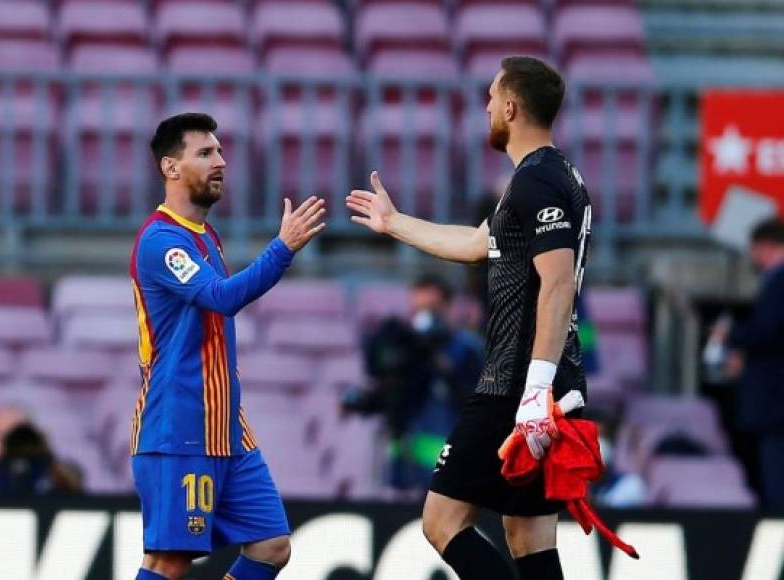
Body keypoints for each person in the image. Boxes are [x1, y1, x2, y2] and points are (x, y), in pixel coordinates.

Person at [347, 56, 592, 580]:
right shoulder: (553, 176)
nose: (484, 107)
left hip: (517, 384)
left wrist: (534, 388)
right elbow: (479, 243)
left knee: (442, 520)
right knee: (527, 535)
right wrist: (394, 223)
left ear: (510, 106)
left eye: (490, 97)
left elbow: (558, 281)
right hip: (545, 380)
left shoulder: (536, 183)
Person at [130, 113, 326, 580]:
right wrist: (282, 248)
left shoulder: (204, 236)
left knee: (271, 546)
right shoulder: (162, 241)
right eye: (205, 153)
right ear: (170, 168)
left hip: (226, 427)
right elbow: (222, 299)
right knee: (169, 561)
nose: (221, 161)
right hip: (180, 424)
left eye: (219, 151)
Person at [343, 274, 483, 493]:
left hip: (450, 471)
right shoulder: (407, 348)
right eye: (416, 310)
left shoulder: (467, 349)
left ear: (448, 307)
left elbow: (475, 401)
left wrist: (438, 359)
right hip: (403, 470)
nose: (423, 317)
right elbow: (394, 394)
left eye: (431, 308)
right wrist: (362, 401)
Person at [714, 218, 784, 509]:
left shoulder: (779, 282)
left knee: (776, 477)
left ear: (766, 246)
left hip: (776, 403)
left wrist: (731, 334)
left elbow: (770, 330)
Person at [0, 422, 82, 495]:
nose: (23, 452)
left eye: (29, 446)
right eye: (18, 446)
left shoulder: (48, 467)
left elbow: (75, 490)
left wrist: (48, 454)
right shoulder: (0, 468)